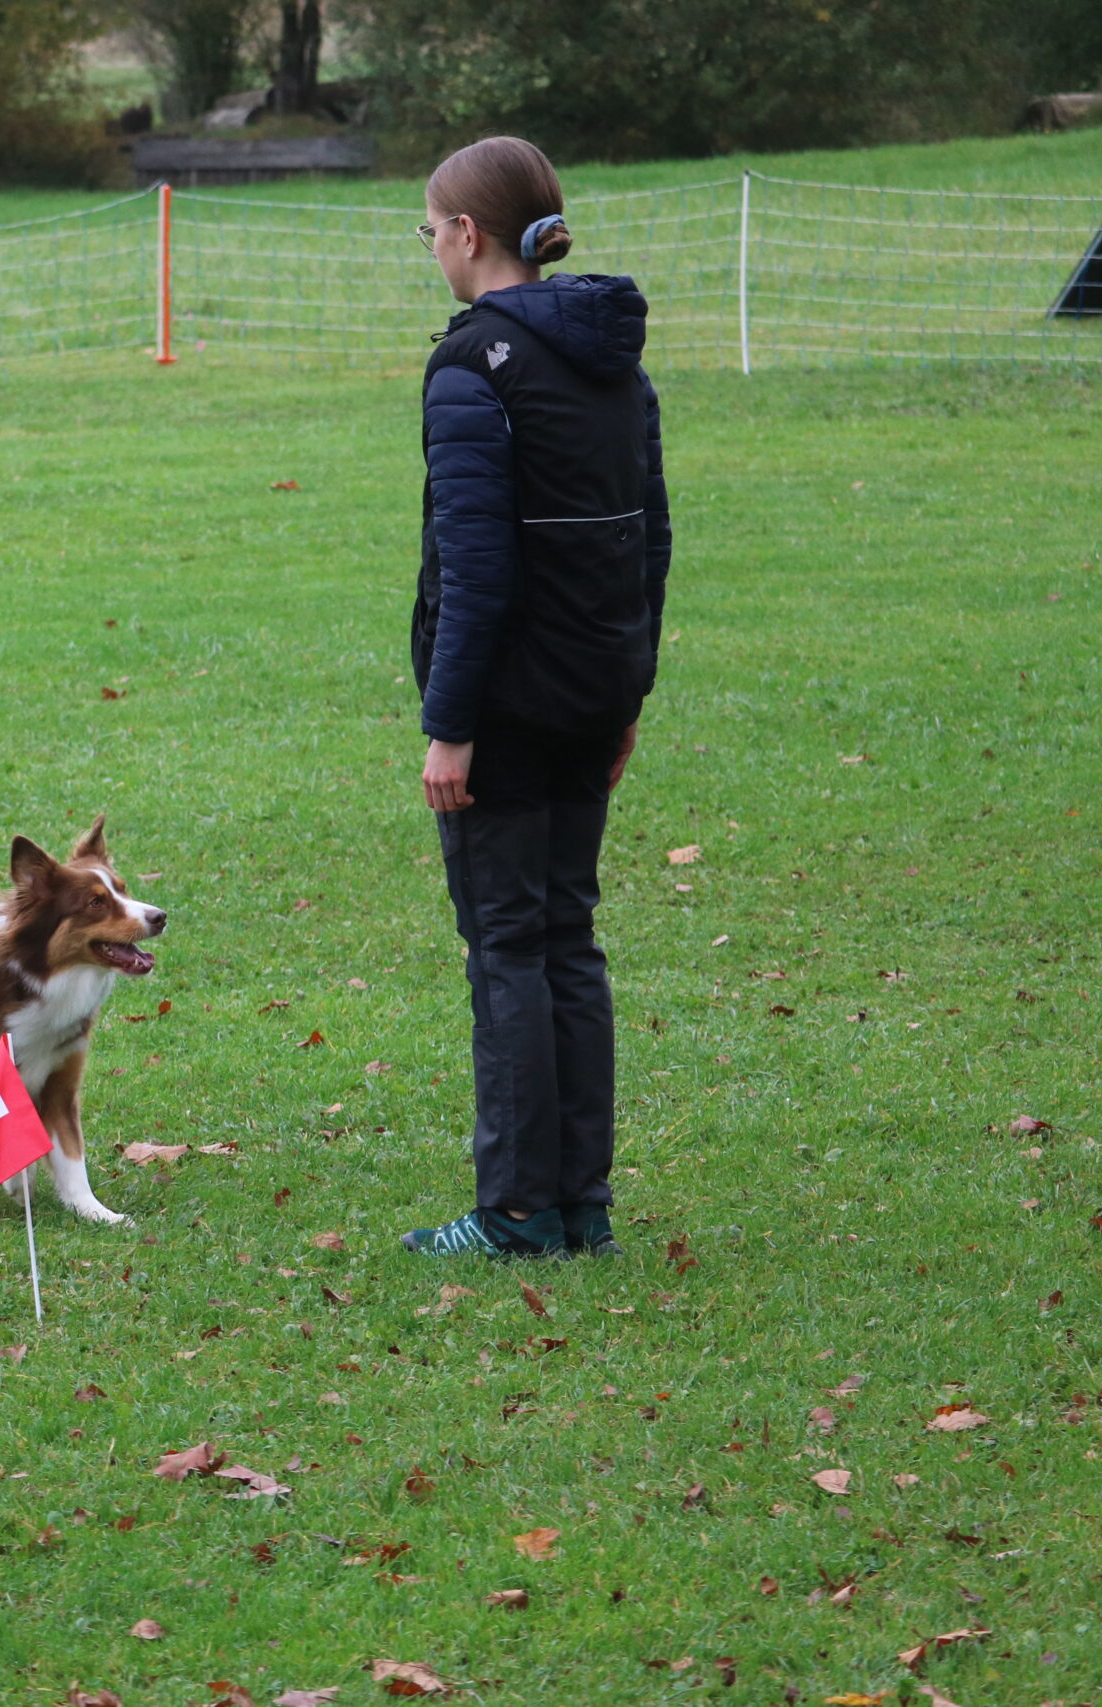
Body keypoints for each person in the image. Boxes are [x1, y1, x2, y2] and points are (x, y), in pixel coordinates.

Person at [396, 136, 671, 1260]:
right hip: (587, 697)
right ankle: (578, 1207)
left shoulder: (473, 367)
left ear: (468, 236)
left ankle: (518, 1211)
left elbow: (476, 565)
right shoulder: (613, 358)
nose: (430, 252)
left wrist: (448, 725)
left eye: (429, 232)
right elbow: (649, 545)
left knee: (510, 947)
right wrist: (625, 697)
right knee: (566, 941)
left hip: (506, 712)